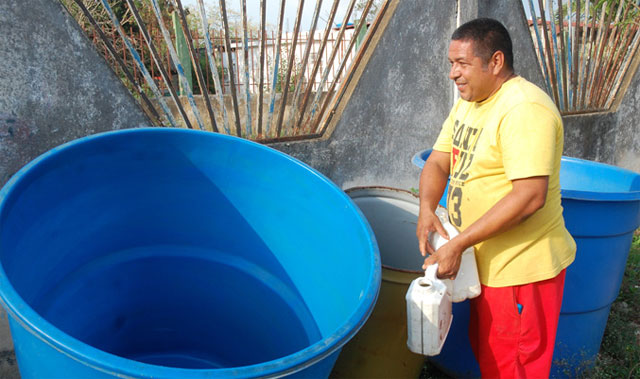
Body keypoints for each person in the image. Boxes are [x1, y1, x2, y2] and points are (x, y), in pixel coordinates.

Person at [416, 18, 576, 378]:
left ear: (496, 62)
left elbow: (530, 196)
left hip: (520, 269)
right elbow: (439, 161)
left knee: (514, 367)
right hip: (485, 263)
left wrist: (459, 244)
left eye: (462, 64)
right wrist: (426, 209)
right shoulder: (470, 102)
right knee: (493, 357)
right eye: (451, 64)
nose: (453, 74)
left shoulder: (524, 109)